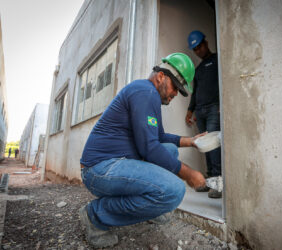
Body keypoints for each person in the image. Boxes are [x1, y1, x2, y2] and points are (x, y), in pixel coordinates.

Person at [79, 52, 207, 248]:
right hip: (99, 169)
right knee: (174, 190)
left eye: (180, 91)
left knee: (169, 150)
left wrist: (191, 141)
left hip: (116, 163)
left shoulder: (148, 95)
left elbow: (159, 137)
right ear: (161, 76)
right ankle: (95, 214)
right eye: (175, 87)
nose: (175, 94)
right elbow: (149, 148)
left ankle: (152, 209)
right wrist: (189, 174)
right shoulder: (145, 92)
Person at [185, 30, 222, 199]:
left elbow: (224, 81)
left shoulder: (218, 60)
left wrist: (223, 103)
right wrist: (190, 111)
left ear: (206, 43)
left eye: (200, 46)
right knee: (205, 146)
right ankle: (211, 180)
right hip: (200, 111)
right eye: (195, 49)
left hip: (214, 108)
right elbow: (195, 92)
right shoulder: (198, 70)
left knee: (214, 145)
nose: (199, 51)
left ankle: (219, 182)